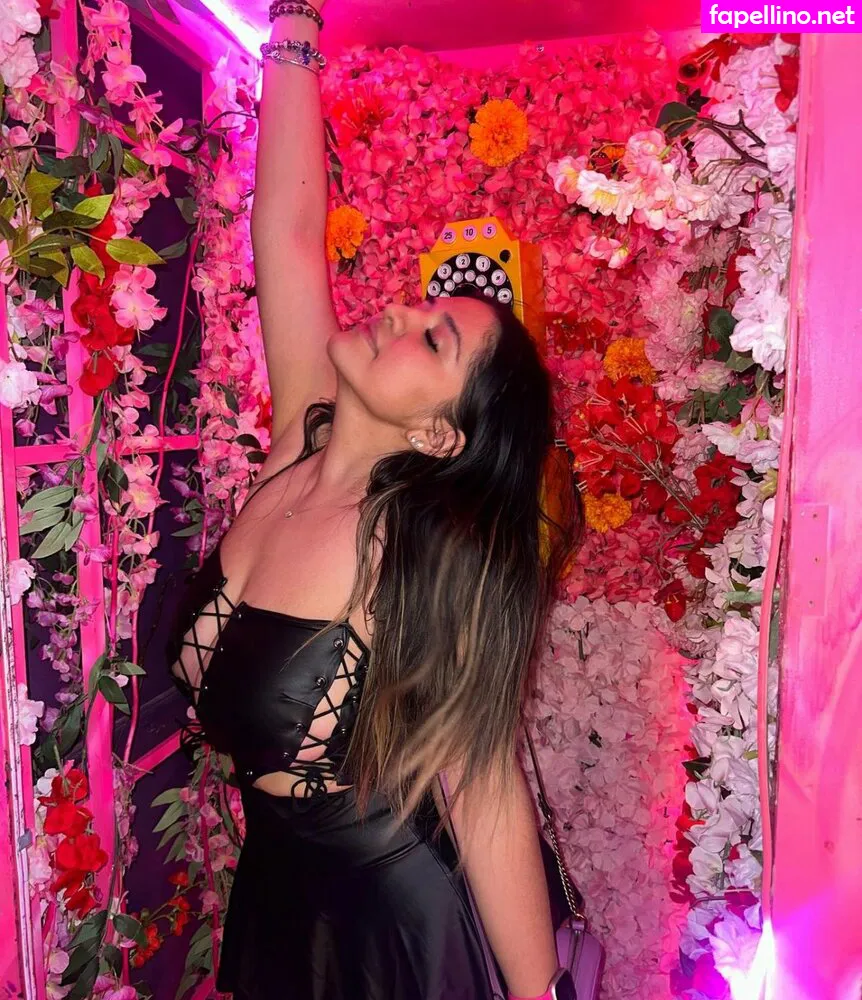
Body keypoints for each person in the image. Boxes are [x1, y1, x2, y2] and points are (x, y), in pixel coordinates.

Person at [168, 1, 583, 998]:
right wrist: (295, 26)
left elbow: (483, 789)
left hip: (396, 929)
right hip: (278, 896)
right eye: (424, 307)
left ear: (441, 435)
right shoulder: (296, 448)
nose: (396, 310)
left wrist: (537, 994)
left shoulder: (420, 550)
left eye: (432, 339)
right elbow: (286, 231)